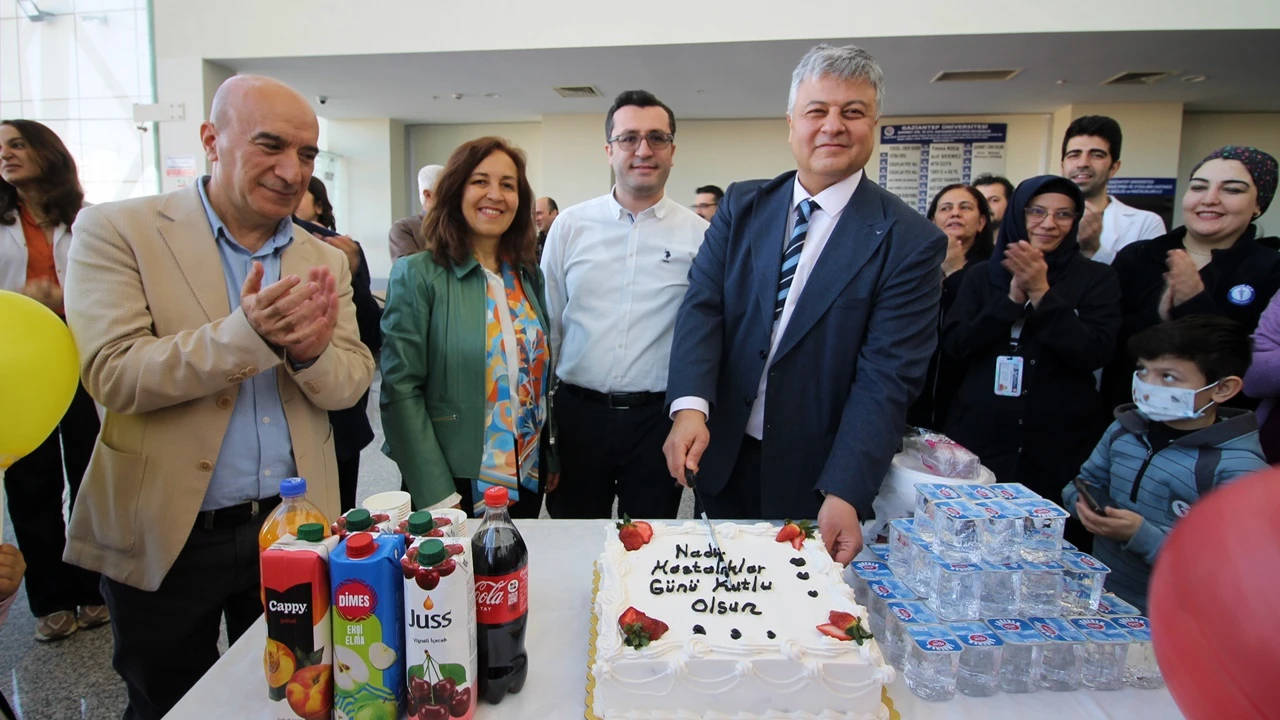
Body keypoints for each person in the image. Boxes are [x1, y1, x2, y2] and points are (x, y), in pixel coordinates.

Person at [62, 75, 375, 719]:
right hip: (169, 532)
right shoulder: (118, 231)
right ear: (211, 140)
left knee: (302, 694)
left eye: (308, 154)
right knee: (167, 702)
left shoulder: (325, 258)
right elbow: (113, 373)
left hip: (296, 530)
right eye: (270, 146)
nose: (292, 171)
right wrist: (247, 335)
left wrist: (311, 351)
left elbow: (348, 385)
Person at [662, 44, 946, 563]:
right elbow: (703, 309)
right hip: (723, 453)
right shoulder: (743, 206)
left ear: (874, 124)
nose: (832, 126)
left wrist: (846, 490)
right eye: (817, 110)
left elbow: (887, 376)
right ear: (791, 122)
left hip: (818, 476)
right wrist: (689, 408)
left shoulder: (910, 241)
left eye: (852, 112)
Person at [541, 90, 708, 520]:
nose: (644, 150)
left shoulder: (700, 236)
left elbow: (705, 335)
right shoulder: (570, 227)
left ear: (672, 150)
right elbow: (549, 327)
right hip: (578, 416)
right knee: (574, 540)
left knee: (649, 547)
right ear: (609, 150)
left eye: (657, 137)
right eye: (629, 138)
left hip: (657, 422)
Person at [381, 136, 556, 518]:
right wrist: (437, 493)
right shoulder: (417, 274)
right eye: (480, 181)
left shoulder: (528, 275)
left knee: (513, 571)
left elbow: (537, 374)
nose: (495, 194)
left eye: (508, 185)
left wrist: (548, 452)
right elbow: (400, 390)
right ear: (455, 190)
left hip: (524, 469)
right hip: (452, 478)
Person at [1064, 315, 1268, 612]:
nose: (1147, 385)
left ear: (1222, 389)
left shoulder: (1240, 469)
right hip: (1100, 598)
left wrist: (1140, 535)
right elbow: (1083, 482)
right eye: (1143, 371)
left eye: (1168, 377)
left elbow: (1230, 568)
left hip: (1174, 617)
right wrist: (1083, 507)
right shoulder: (1125, 428)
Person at [941, 175, 1121, 500]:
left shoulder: (1097, 278)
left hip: (1056, 443)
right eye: (1036, 212)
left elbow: (1095, 352)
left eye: (1063, 214)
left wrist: (1041, 292)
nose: (1048, 224)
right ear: (1017, 215)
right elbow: (956, 345)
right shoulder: (980, 276)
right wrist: (1009, 303)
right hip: (979, 439)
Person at [0, 118, 108, 642]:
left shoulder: (85, 221)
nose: (6, 154)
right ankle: (50, 598)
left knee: (90, 475)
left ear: (48, 153)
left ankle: (92, 588)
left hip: (82, 364)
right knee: (30, 483)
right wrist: (29, 299)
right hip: (18, 372)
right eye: (1, 147)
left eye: (17, 144)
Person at [1101, 146, 1280, 413]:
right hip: (1127, 419)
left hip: (1220, 431)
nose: (1209, 199)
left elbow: (1254, 367)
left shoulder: (1271, 267)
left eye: (1232, 190)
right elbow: (1104, 342)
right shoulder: (1138, 257)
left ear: (1257, 205)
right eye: (1198, 187)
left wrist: (1194, 304)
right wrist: (1158, 315)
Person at [293, 176, 383, 513]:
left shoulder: (339, 248)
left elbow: (371, 333)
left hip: (337, 419)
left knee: (336, 519)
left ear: (319, 203)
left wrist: (354, 268)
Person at [907, 183, 994, 430]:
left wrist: (955, 270)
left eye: (965, 207)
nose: (955, 213)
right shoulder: (914, 267)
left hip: (968, 398)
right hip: (915, 396)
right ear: (933, 221)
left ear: (981, 222)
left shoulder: (995, 270)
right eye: (946, 208)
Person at [1060, 115, 1166, 264]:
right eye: (1074, 155)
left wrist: (1094, 250)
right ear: (1062, 165)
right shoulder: (1038, 218)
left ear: (1113, 168)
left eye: (1096, 155)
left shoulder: (1146, 223)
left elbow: (1144, 284)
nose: (1083, 163)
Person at [389, 163, 444, 263]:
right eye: (447, 189)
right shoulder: (405, 228)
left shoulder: (464, 226)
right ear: (428, 195)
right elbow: (410, 273)